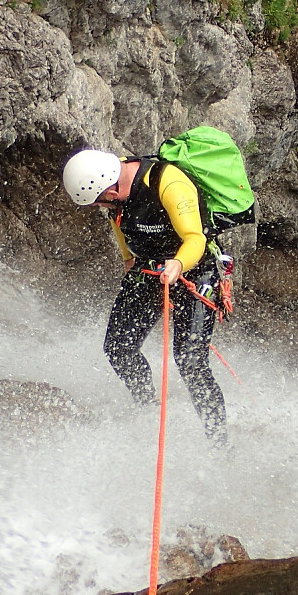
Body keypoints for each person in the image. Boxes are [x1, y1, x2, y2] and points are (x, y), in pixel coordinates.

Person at [62, 148, 227, 444]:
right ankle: (147, 407)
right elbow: (120, 221)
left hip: (195, 268)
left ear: (110, 190)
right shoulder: (116, 193)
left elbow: (195, 238)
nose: (102, 207)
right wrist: (128, 259)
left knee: (190, 360)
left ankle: (218, 440)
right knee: (119, 348)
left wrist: (178, 264)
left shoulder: (167, 182)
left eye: (101, 202)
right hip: (149, 270)